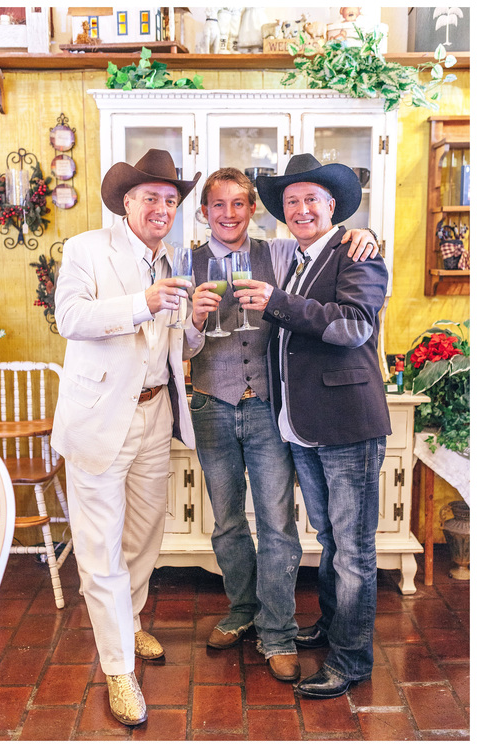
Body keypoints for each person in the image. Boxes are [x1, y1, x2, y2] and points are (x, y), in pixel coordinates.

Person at [186, 168, 376, 682]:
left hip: (271, 408)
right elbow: (166, 347)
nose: (228, 214)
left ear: (252, 210)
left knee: (277, 523)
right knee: (226, 521)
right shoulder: (183, 263)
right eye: (217, 205)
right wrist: (193, 325)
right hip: (210, 405)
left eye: (239, 204)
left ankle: (278, 632)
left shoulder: (282, 253)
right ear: (204, 212)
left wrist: (366, 232)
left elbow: (333, 251)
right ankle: (241, 611)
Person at [51, 149, 199, 726]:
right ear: (128, 202)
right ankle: (118, 670)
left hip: (157, 412)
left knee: (144, 534)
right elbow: (71, 319)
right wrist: (144, 302)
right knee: (100, 547)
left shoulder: (173, 259)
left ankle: (131, 622)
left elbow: (177, 346)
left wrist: (197, 322)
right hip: (99, 418)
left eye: (170, 199)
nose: (162, 208)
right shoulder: (88, 249)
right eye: (151, 198)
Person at [237, 154, 391, 698]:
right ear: (282, 211)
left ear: (332, 206)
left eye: (312, 199)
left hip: (347, 425)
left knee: (353, 549)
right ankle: (333, 627)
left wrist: (278, 303)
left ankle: (351, 660)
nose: (301, 208)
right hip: (302, 426)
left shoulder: (357, 255)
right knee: (329, 539)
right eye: (292, 200)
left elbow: (350, 326)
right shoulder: (299, 259)